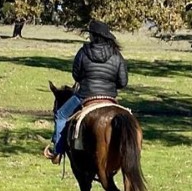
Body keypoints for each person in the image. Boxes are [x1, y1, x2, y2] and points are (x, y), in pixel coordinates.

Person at [44, 20, 129, 164]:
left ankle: (58, 151)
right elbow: (123, 82)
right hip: (109, 97)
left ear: (93, 36)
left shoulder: (83, 52)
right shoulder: (116, 54)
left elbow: (76, 75)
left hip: (85, 95)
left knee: (61, 115)